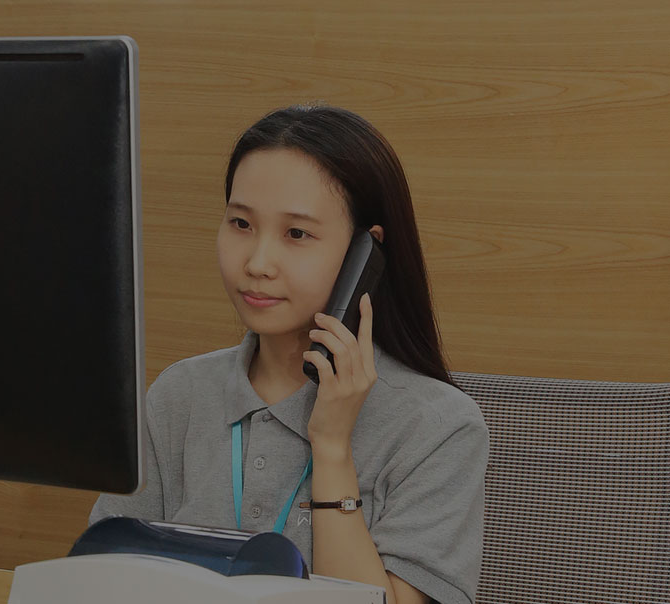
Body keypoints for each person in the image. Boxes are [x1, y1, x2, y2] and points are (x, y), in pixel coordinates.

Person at [90, 104, 489, 604]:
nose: (257, 263)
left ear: (366, 252)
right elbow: (101, 580)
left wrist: (333, 448)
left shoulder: (438, 427)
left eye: (296, 234)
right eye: (241, 223)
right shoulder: (179, 395)